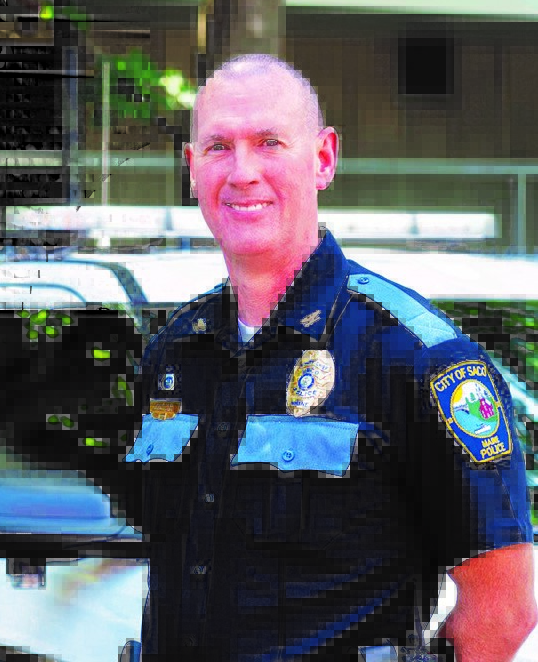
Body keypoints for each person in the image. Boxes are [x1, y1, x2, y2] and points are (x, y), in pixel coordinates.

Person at [125, 54, 537, 661]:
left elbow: (504, 606)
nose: (242, 172)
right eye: (218, 147)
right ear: (191, 168)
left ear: (323, 158)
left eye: (269, 143)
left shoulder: (417, 358)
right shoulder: (176, 353)